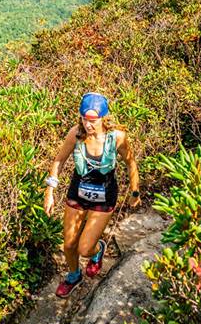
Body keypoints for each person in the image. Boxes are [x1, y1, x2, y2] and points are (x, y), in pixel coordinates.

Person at [43, 92, 140, 298]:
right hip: (77, 193)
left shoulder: (117, 138)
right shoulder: (75, 134)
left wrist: (135, 191)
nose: (88, 125)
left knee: (84, 249)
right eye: (84, 119)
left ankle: (98, 250)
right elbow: (59, 161)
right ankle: (73, 276)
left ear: (104, 118)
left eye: (93, 121)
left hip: (104, 197)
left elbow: (131, 162)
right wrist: (49, 192)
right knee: (69, 244)